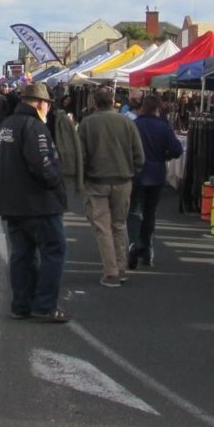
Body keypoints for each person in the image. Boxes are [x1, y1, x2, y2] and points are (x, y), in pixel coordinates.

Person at [0, 82, 69, 322]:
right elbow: (42, 164)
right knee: (53, 249)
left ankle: (21, 304)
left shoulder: (6, 125)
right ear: (39, 103)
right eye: (46, 103)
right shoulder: (34, 126)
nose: (47, 108)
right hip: (38, 202)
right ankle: (45, 304)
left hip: (12, 201)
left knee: (22, 253)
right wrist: (56, 182)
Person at [77, 86, 145, 287]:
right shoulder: (126, 122)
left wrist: (81, 179)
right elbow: (139, 155)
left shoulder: (87, 124)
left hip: (97, 181)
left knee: (102, 227)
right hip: (123, 180)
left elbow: (80, 156)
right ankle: (120, 267)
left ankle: (111, 271)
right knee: (118, 224)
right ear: (113, 101)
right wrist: (132, 171)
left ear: (95, 103)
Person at [128, 93, 183, 269]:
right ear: (158, 109)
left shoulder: (135, 125)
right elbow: (176, 150)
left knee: (135, 211)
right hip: (156, 174)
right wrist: (164, 155)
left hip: (137, 174)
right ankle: (148, 253)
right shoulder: (163, 127)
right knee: (150, 214)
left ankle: (134, 243)